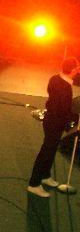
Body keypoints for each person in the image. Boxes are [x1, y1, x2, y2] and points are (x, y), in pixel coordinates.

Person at [28, 57, 80, 197]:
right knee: (46, 152)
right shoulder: (64, 86)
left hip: (52, 120)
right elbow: (63, 110)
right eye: (77, 68)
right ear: (72, 70)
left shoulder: (56, 78)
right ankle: (34, 184)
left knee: (51, 150)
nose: (78, 71)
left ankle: (45, 176)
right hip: (54, 123)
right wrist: (75, 118)